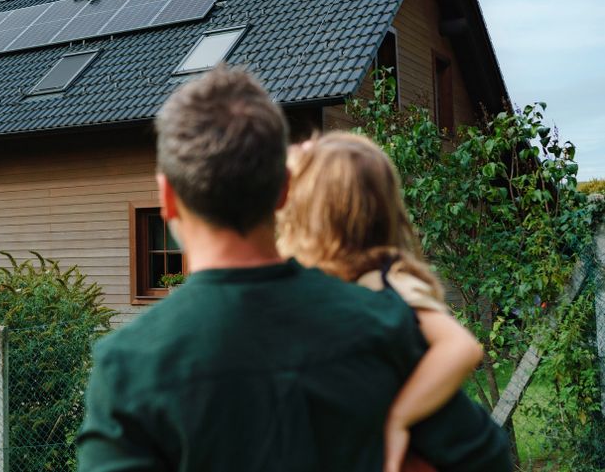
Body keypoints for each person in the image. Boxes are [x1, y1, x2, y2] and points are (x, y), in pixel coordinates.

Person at [75, 67, 510, 471]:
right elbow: (488, 459)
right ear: (283, 189)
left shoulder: (128, 368)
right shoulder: (382, 323)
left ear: (167, 198)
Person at [277, 132, 485, 472]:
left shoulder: (387, 282)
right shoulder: (334, 281)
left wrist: (398, 417)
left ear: (317, 214)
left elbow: (461, 347)